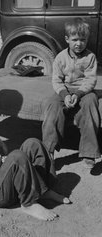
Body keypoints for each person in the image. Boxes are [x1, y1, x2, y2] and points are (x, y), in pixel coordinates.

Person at [42, 18, 100, 169]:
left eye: (83, 39)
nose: (79, 43)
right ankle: (48, 151)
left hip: (84, 91)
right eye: (75, 39)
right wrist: (64, 95)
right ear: (67, 39)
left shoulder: (90, 57)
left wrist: (79, 94)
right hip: (65, 89)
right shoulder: (60, 58)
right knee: (52, 105)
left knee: (91, 103)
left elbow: (90, 80)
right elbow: (56, 80)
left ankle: (89, 151)